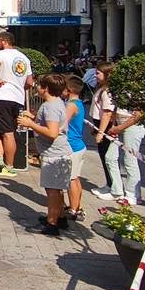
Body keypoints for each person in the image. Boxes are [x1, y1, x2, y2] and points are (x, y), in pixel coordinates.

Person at [17, 74, 72, 236]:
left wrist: (30, 124)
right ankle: (59, 216)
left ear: (46, 89)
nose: (36, 87)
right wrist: (34, 118)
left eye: (39, 85)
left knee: (52, 190)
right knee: (57, 188)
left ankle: (52, 223)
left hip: (54, 154)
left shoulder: (50, 107)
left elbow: (52, 132)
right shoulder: (55, 103)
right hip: (58, 153)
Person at [0, 31, 33, 177]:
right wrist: (18, 88)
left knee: (7, 133)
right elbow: (30, 82)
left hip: (1, 96)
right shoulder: (24, 58)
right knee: (0, 130)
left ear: (5, 41)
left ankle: (9, 166)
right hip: (17, 99)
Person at [96, 68, 145, 205]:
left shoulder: (137, 91)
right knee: (110, 157)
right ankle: (116, 190)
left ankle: (133, 194)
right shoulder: (116, 90)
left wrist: (119, 128)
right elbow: (112, 111)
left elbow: (138, 115)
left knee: (130, 161)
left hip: (131, 127)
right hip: (117, 126)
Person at [90, 63, 119, 199]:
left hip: (105, 126)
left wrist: (101, 132)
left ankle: (114, 186)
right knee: (103, 156)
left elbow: (107, 113)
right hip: (98, 123)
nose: (95, 76)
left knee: (107, 156)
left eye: (98, 73)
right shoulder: (101, 88)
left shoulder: (107, 91)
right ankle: (109, 183)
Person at [63, 75, 86, 222]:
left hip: (72, 146)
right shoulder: (78, 102)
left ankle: (74, 209)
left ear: (69, 89)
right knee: (75, 178)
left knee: (71, 179)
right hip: (78, 146)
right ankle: (76, 206)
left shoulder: (71, 105)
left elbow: (62, 123)